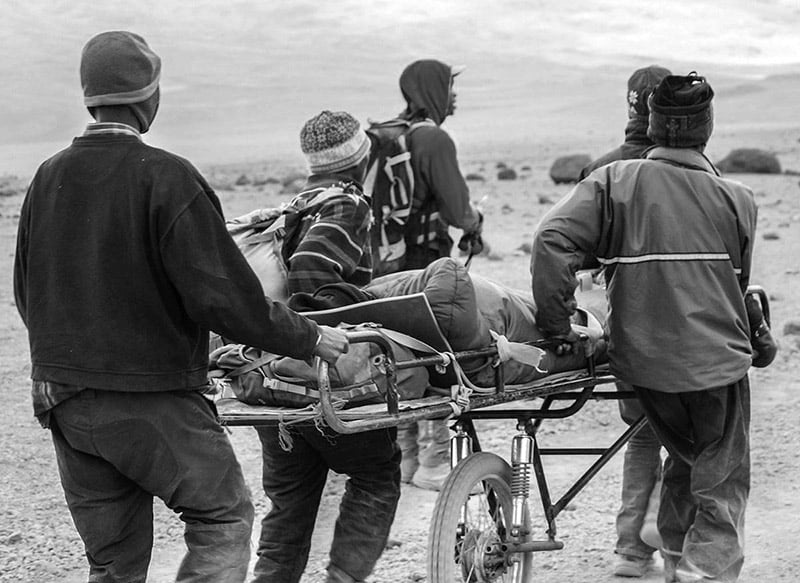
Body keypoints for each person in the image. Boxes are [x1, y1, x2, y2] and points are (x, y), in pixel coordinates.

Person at [13, 31, 348, 583]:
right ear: (149, 94)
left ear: (90, 96)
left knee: (115, 565)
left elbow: (28, 295)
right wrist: (312, 339)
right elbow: (226, 298)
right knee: (222, 516)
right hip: (149, 395)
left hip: (64, 401)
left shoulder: (47, 177)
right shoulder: (167, 176)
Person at [530, 73, 777, 583]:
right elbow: (737, 285)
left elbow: (551, 238)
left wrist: (557, 325)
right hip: (715, 366)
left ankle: (671, 554)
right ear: (707, 130)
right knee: (722, 473)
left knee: (684, 456)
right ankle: (705, 568)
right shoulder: (739, 198)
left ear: (654, 126)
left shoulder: (613, 183)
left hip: (643, 367)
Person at [251, 110, 401, 583]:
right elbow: (311, 272)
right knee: (377, 475)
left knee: (290, 502)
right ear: (360, 154)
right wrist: (348, 316)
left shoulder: (299, 202)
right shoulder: (348, 203)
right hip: (322, 377)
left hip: (275, 377)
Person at [374, 58, 485, 491]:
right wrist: (475, 224)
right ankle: (435, 460)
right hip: (423, 258)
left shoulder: (391, 138)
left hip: (385, 261)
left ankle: (402, 458)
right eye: (449, 86)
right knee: (436, 349)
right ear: (433, 90)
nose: (454, 95)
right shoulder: (434, 140)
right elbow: (458, 209)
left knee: (395, 352)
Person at [580, 64, 672, 578]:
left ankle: (630, 552)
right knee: (694, 429)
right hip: (687, 330)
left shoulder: (600, 170)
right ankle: (666, 528)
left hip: (626, 329)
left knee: (642, 432)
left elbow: (581, 259)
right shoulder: (697, 172)